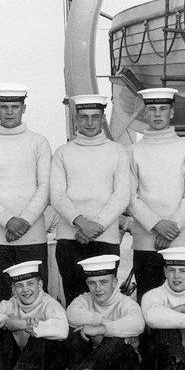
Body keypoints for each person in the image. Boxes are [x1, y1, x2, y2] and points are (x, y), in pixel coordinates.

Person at [0, 83, 52, 303]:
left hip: (32, 237)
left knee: (34, 301)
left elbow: (45, 187)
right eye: (4, 107)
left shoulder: (39, 143)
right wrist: (7, 220)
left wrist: (23, 221)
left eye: (15, 107)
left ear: (23, 108)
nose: (9, 112)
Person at [50, 94, 129, 304]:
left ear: (103, 118)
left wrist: (97, 225)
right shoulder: (62, 153)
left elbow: (121, 195)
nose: (90, 122)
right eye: (84, 117)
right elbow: (57, 195)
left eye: (95, 116)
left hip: (105, 238)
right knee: (75, 299)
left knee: (105, 301)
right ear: (76, 120)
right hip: (70, 238)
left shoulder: (118, 152)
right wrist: (81, 223)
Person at [128, 88, 185, 302]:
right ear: (145, 113)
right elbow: (130, 196)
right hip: (146, 241)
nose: (158, 114)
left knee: (183, 300)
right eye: (152, 109)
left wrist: (171, 228)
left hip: (180, 240)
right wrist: (155, 225)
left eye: (163, 109)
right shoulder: (134, 151)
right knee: (148, 299)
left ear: (171, 113)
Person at [48, 255, 144, 370]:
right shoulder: (85, 299)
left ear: (114, 282)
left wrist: (101, 329)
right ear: (87, 284)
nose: (98, 289)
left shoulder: (126, 303)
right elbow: (71, 314)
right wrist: (101, 321)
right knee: (77, 335)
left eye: (103, 282)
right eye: (92, 283)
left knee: (116, 341)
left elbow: (138, 324)